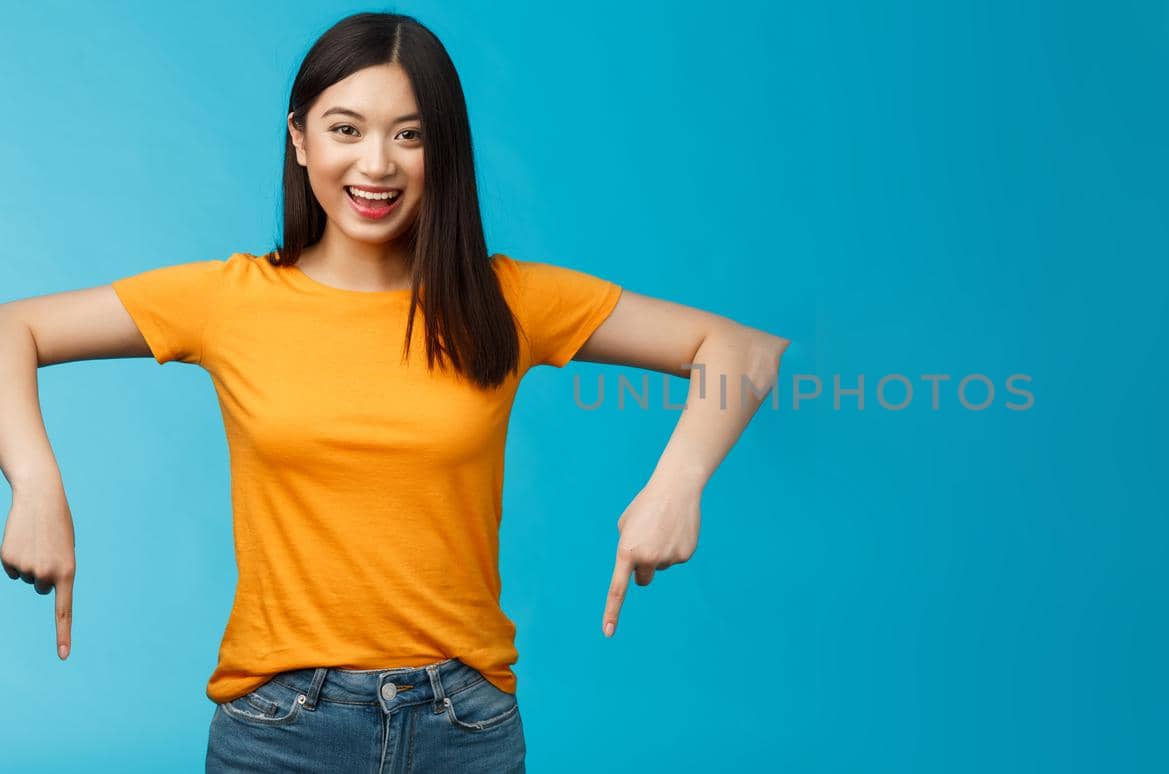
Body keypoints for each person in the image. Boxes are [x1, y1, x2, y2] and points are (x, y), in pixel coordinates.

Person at [0, 11, 788, 773]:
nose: (377, 164)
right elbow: (12, 329)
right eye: (346, 128)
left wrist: (676, 485)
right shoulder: (230, 298)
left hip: (464, 726)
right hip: (279, 727)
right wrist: (34, 483)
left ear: (442, 153)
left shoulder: (504, 300)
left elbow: (741, 351)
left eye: (410, 135)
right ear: (299, 139)